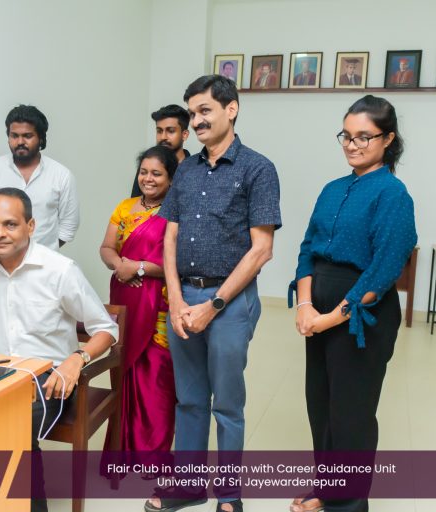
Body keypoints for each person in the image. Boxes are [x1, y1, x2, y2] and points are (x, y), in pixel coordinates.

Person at [145, 75, 281, 512]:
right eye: (193, 113)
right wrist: (176, 298)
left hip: (230, 303)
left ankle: (229, 495)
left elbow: (261, 250)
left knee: (227, 403)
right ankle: (187, 487)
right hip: (184, 297)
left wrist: (214, 304)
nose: (197, 120)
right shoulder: (185, 169)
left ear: (231, 109)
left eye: (205, 110)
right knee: (188, 399)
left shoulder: (258, 169)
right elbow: (170, 237)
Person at [0, 187, 117, 512]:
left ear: (31, 226)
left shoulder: (60, 270)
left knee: (11, 427)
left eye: (10, 224)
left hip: (50, 379)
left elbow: (106, 329)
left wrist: (77, 359)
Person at [288, 95, 417, 512]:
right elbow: (307, 248)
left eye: (364, 136)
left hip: (362, 312)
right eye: (346, 135)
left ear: (388, 139)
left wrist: (328, 319)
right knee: (321, 406)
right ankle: (328, 489)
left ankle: (348, 504)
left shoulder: (393, 194)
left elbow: (382, 271)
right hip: (319, 302)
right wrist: (304, 305)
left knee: (351, 414)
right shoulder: (332, 189)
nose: (352, 144)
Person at [101, 145, 178, 459]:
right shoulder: (125, 207)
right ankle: (121, 451)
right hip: (124, 301)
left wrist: (141, 268)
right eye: (143, 172)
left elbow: (178, 263)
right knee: (123, 371)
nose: (148, 178)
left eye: (156, 173)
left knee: (157, 376)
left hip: (159, 305)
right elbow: (106, 247)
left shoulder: (176, 212)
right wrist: (120, 265)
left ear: (170, 179)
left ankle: (153, 455)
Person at [0, 105, 79, 250]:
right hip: (1, 259)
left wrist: (44, 253)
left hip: (46, 261)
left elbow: (68, 225)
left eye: (27, 136)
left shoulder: (62, 176)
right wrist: (4, 247)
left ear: (41, 138)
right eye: (14, 136)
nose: (20, 142)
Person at [131, 105, 190, 197]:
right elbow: (136, 200)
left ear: (184, 135)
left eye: (170, 131)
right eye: (159, 131)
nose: (163, 137)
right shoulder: (148, 164)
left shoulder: (194, 169)